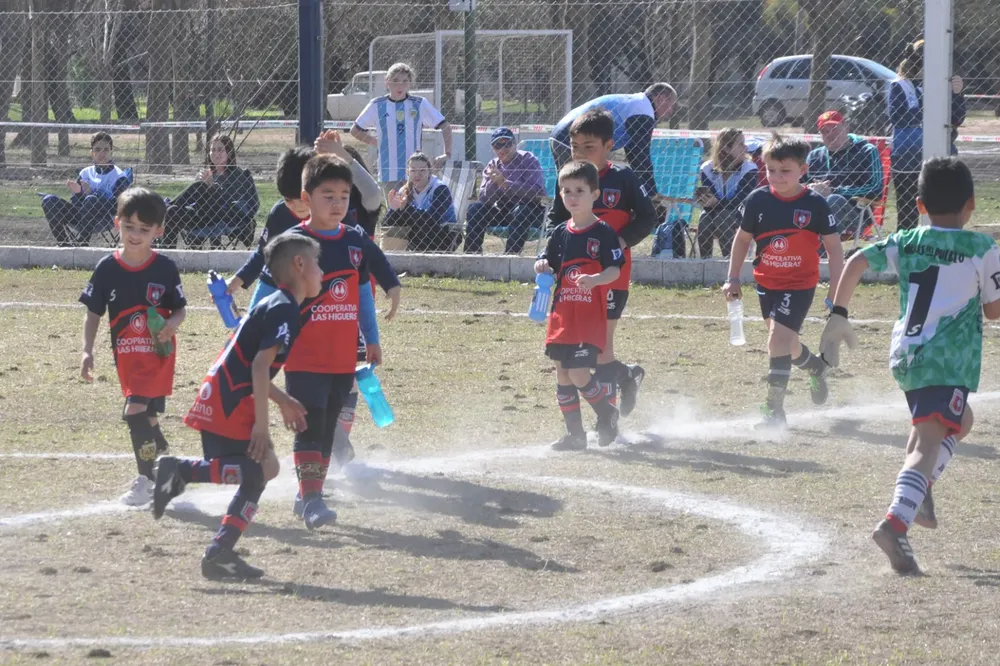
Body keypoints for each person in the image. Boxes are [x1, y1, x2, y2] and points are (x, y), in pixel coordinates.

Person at [820, 157, 1000, 574]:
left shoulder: (908, 239)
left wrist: (839, 313)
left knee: (960, 421)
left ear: (918, 204)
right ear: (971, 204)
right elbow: (994, 311)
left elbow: (856, 261)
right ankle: (895, 523)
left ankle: (920, 493)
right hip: (945, 361)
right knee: (926, 445)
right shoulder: (982, 248)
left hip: (907, 356)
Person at [153, 233, 322, 580]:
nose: (322, 271)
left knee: (267, 468)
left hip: (227, 394)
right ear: (300, 265)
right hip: (230, 400)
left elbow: (252, 364)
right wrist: (262, 425)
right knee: (257, 471)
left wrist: (283, 399)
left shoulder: (279, 303)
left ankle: (209, 526)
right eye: (317, 263)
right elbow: (259, 366)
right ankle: (215, 541)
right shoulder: (285, 308)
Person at [281, 154, 398, 530]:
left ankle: (306, 494)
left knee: (330, 427)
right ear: (307, 197)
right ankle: (312, 498)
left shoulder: (354, 240)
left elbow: (363, 292)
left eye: (344, 196)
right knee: (310, 425)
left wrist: (372, 338)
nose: (337, 204)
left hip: (342, 355)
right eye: (327, 195)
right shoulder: (293, 243)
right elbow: (267, 294)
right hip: (303, 355)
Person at [722, 135, 844, 428]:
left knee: (776, 340)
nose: (776, 177)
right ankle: (816, 367)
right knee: (786, 345)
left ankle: (773, 410)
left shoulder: (815, 204)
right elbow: (741, 240)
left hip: (800, 284)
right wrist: (733, 277)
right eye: (771, 170)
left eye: (785, 170)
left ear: (803, 169)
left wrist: (837, 293)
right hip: (767, 283)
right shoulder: (758, 200)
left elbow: (835, 249)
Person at [78, 187, 187, 505]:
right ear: (117, 224)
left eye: (144, 229)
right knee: (148, 419)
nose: (135, 235)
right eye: (129, 227)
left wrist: (173, 324)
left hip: (157, 355)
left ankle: (146, 481)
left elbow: (180, 308)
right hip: (126, 359)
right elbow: (93, 313)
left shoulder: (164, 268)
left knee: (135, 412)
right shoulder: (107, 269)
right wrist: (87, 350)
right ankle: (170, 469)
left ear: (159, 230)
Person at [548, 110, 656, 417]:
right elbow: (555, 221)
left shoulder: (623, 179)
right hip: (574, 283)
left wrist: (618, 243)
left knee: (601, 348)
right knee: (581, 351)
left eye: (589, 146)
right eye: (575, 146)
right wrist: (552, 258)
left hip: (611, 277)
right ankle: (625, 376)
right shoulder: (568, 180)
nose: (580, 153)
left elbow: (648, 218)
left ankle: (607, 421)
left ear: (609, 145)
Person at [226, 132, 384, 308]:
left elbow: (372, 197)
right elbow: (264, 253)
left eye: (301, 199)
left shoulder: (336, 214)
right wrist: (238, 279)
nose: (296, 206)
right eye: (288, 200)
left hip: (342, 302)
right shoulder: (280, 213)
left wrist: (342, 157)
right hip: (303, 304)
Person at [536, 161, 625, 451]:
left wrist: (597, 279)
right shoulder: (560, 232)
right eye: (566, 191)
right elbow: (551, 266)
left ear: (594, 194)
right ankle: (576, 436)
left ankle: (607, 413)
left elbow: (615, 270)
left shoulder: (603, 232)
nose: (573, 197)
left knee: (578, 374)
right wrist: (543, 267)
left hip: (589, 318)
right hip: (563, 315)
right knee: (563, 374)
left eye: (580, 190)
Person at [888, 39, 967, 231]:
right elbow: (898, 118)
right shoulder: (901, 85)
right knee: (907, 211)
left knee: (944, 209)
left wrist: (957, 94)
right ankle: (906, 251)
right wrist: (929, 104)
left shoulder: (945, 83)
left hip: (942, 154)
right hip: (908, 156)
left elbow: (957, 118)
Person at [550, 83, 678, 197]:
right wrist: (651, 193)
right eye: (671, 105)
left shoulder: (636, 103)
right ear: (661, 98)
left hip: (562, 135)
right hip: (572, 139)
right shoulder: (643, 111)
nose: (670, 112)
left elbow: (634, 151)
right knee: (579, 192)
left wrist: (646, 187)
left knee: (575, 191)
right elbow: (640, 154)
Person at [350, 62, 452, 190]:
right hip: (388, 170)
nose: (400, 85)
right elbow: (355, 130)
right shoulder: (377, 105)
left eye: (405, 81)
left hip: (416, 171)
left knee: (415, 208)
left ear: (410, 83)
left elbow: (446, 126)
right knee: (394, 208)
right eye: (395, 80)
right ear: (387, 82)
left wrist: (446, 154)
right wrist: (377, 142)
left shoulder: (419, 104)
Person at [162, 134, 260, 248]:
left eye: (220, 150)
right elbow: (192, 201)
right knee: (172, 211)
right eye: (212, 150)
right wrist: (203, 183)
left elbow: (234, 200)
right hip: (202, 216)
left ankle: (163, 207)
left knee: (201, 186)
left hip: (225, 216)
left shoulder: (239, 175)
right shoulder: (206, 173)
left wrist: (210, 186)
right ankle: (168, 255)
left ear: (229, 152)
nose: (216, 153)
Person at [463, 127, 547, 254]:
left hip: (531, 211)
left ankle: (510, 256)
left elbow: (537, 192)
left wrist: (505, 184)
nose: (502, 149)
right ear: (493, 148)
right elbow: (484, 199)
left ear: (514, 144)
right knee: (475, 209)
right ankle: (471, 255)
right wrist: (493, 181)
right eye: (497, 146)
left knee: (521, 211)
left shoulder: (528, 160)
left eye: (507, 144)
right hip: (505, 210)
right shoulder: (493, 165)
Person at [42, 132, 132, 247]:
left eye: (106, 150)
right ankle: (63, 244)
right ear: (92, 153)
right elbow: (76, 203)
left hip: (105, 218)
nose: (101, 153)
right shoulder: (85, 173)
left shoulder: (119, 176)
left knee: (91, 199)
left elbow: (118, 206)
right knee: (49, 200)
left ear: (111, 152)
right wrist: (79, 193)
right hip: (80, 216)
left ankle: (82, 242)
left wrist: (91, 194)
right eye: (97, 150)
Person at [806, 111, 884, 237]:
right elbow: (799, 183)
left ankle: (820, 254)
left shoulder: (866, 151)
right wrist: (810, 189)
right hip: (814, 209)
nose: (830, 135)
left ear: (846, 127)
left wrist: (834, 191)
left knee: (833, 199)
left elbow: (876, 189)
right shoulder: (814, 156)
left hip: (855, 214)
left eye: (834, 129)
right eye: (825, 131)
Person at [696, 128, 758, 259]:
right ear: (726, 149)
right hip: (716, 212)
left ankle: (730, 262)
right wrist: (706, 201)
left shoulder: (749, 169)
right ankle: (705, 263)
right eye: (740, 143)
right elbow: (709, 202)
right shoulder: (707, 168)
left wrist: (716, 203)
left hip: (742, 213)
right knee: (704, 219)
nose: (745, 147)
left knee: (722, 217)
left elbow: (740, 201)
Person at [382, 152, 461, 253]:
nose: (417, 174)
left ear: (429, 171)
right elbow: (385, 224)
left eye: (422, 170)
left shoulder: (440, 189)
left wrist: (405, 207)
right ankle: (392, 260)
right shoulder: (404, 190)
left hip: (443, 234)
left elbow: (432, 220)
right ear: (407, 172)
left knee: (420, 226)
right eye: (413, 170)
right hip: (415, 234)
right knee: (396, 222)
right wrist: (393, 210)